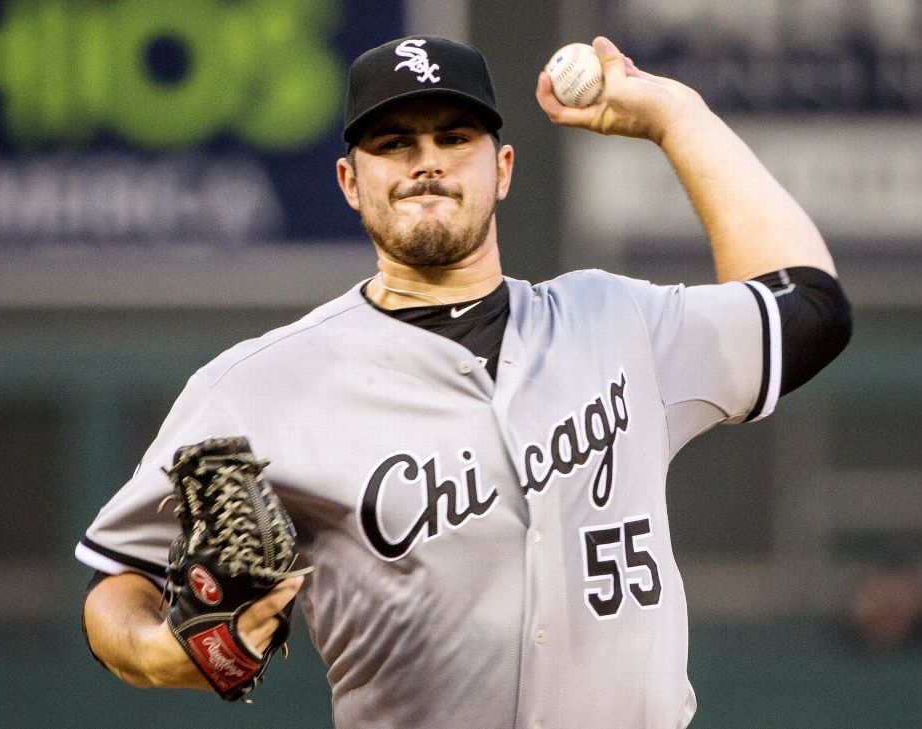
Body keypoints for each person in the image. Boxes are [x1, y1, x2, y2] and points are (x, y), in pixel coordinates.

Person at [77, 35, 852, 728]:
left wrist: (677, 118)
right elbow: (119, 585)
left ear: (502, 168)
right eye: (394, 142)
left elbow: (811, 306)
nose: (427, 160)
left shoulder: (618, 322)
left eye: (454, 136)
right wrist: (160, 651)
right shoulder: (258, 387)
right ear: (351, 181)